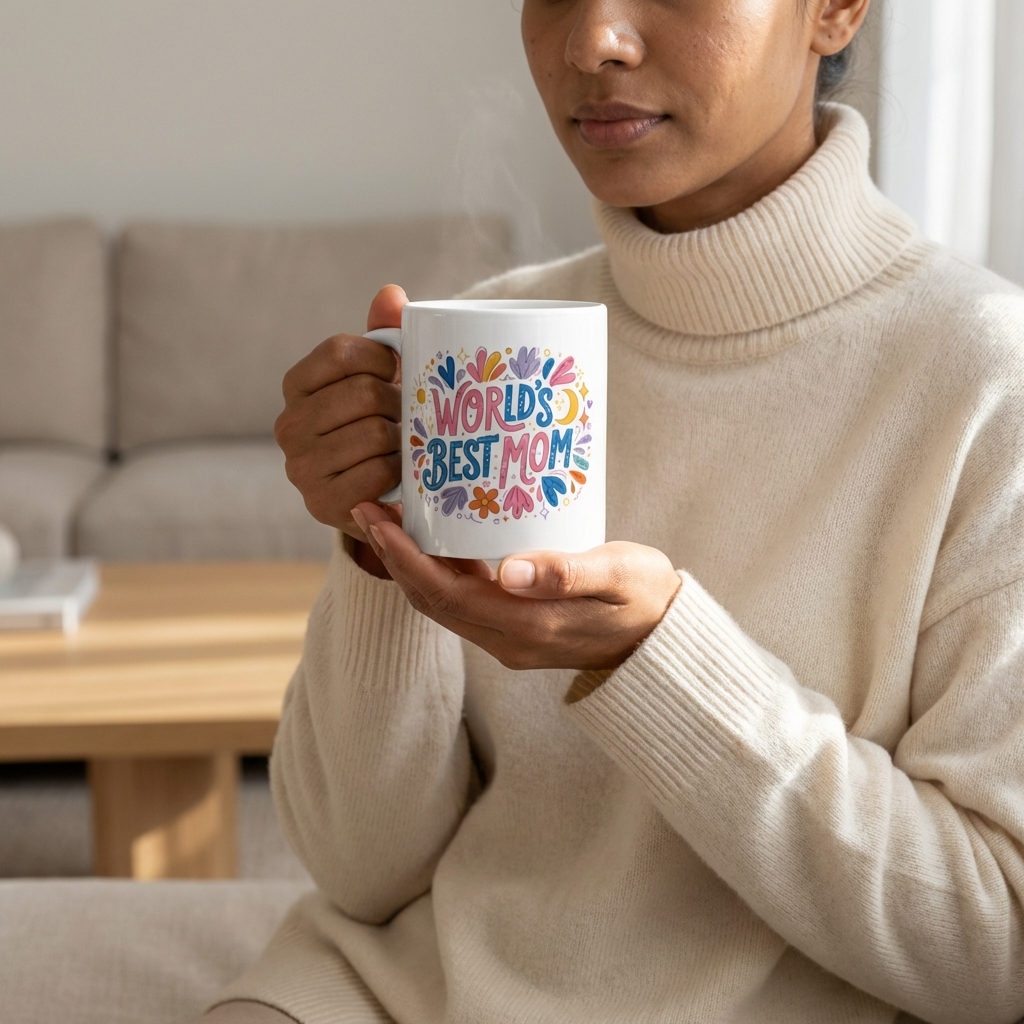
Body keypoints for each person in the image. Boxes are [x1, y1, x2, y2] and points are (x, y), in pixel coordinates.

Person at [200, 0, 1024, 1021]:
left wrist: (658, 664)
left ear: (834, 9)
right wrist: (378, 537)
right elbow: (357, 871)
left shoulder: (985, 380)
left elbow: (997, 949)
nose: (591, 41)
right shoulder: (497, 343)